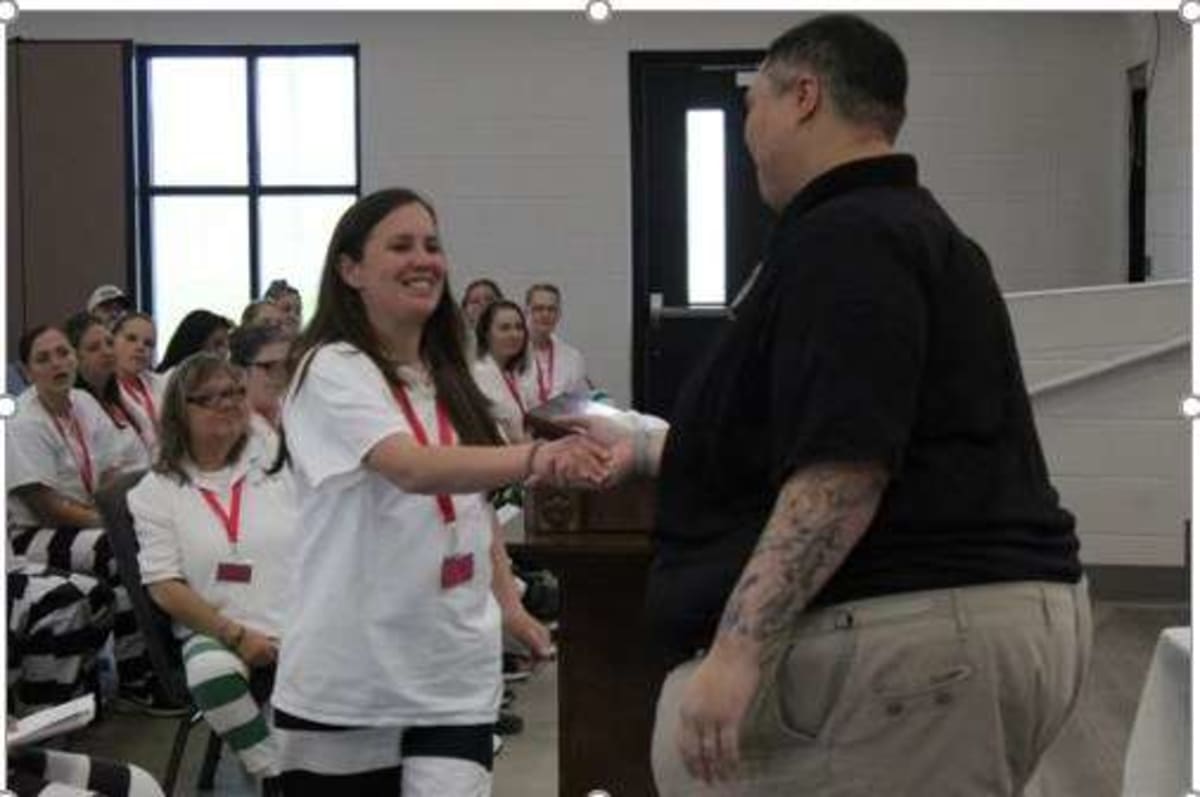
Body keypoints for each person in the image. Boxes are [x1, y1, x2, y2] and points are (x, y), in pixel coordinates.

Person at [580, 14, 1091, 796]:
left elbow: (844, 463)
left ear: (805, 97)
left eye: (755, 104)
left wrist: (737, 648)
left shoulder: (851, 235)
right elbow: (804, 428)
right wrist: (647, 449)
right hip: (944, 627)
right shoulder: (900, 230)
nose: (748, 131)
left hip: (905, 631)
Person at [273, 187, 611, 795]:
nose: (423, 258)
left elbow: (470, 508)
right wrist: (537, 456)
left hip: (452, 666)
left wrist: (507, 603)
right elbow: (410, 468)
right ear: (350, 270)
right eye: (400, 245)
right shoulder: (329, 367)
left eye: (432, 245)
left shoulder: (447, 372)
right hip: (353, 674)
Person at [128, 353, 297, 782]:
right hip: (218, 628)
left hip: (298, 617)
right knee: (210, 671)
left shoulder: (272, 464)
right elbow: (164, 587)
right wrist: (235, 634)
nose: (230, 403)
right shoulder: (155, 492)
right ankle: (271, 771)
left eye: (236, 392)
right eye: (212, 397)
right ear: (180, 413)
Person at [6, 325, 176, 715]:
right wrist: (107, 522)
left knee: (145, 537)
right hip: (30, 533)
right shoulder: (24, 422)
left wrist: (116, 513)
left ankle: (163, 657)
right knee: (113, 550)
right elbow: (47, 505)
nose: (57, 364)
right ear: (28, 371)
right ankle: (137, 677)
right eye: (43, 359)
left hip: (81, 519)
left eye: (63, 353)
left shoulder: (82, 402)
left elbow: (117, 468)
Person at [65, 312, 152, 475]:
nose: (106, 351)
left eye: (109, 343)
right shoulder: (73, 406)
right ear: (75, 358)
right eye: (94, 348)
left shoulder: (119, 401)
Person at [471, 300, 537, 443]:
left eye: (519, 327)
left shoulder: (511, 373)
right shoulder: (478, 375)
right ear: (486, 333)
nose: (514, 334)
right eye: (504, 328)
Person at [229, 323, 293, 458]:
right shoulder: (232, 435)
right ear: (240, 373)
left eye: (287, 366)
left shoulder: (295, 421)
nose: (282, 375)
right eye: (270, 367)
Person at [112, 312, 166, 455]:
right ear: (112, 340)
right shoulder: (102, 390)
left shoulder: (160, 384)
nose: (140, 347)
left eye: (148, 344)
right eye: (131, 338)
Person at [524, 283, 587, 404]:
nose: (545, 314)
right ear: (526, 312)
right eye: (539, 308)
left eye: (551, 309)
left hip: (562, 422)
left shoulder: (573, 357)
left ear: (559, 315)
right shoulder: (512, 354)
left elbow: (581, 403)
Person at [157, 309, 234, 374]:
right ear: (194, 346)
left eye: (228, 346)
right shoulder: (166, 384)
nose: (226, 352)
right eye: (218, 344)